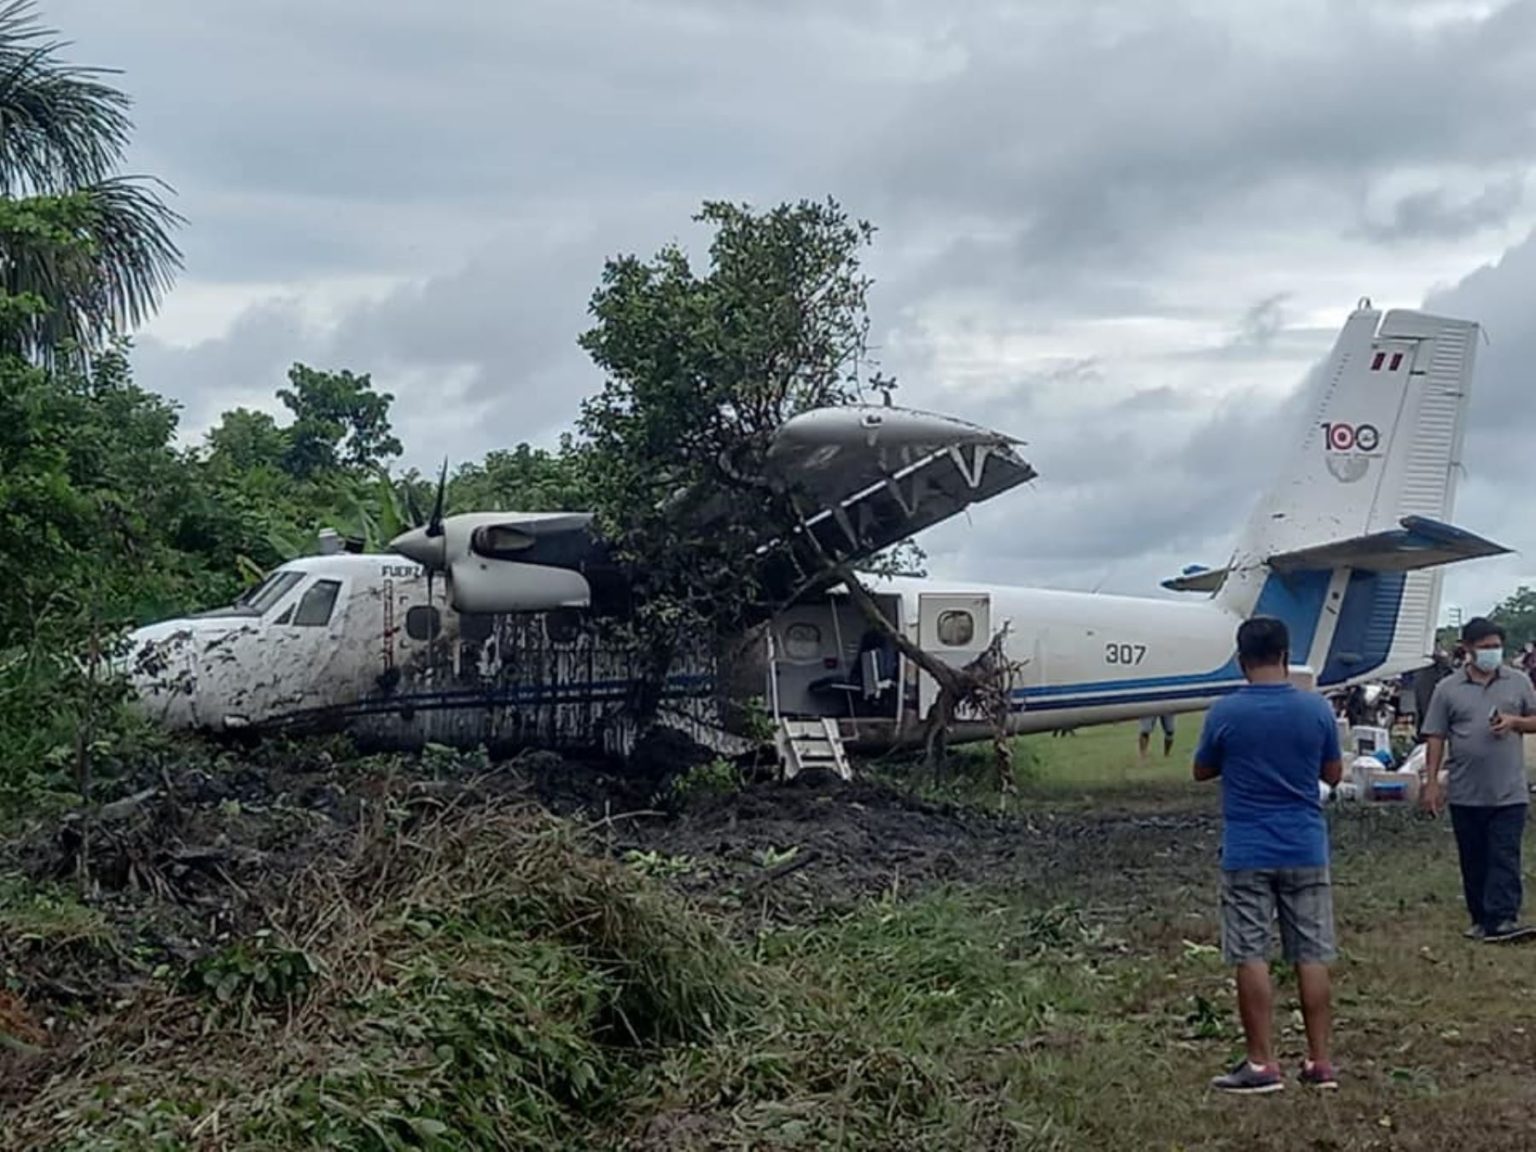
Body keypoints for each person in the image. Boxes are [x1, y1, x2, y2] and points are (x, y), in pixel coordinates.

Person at [1193, 616, 1342, 1094]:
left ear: (1241, 660)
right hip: (1305, 844)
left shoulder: (1225, 712)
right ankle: (1319, 1062)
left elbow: (1202, 769)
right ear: (1285, 654)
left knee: (1250, 951)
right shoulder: (1315, 710)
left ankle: (1261, 1064)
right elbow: (1335, 774)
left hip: (1248, 848)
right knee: (1312, 952)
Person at [1420, 617, 1536, 943]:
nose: (1492, 653)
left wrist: (1515, 722)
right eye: (1485, 647)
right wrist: (1431, 782)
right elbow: (1435, 736)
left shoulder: (1518, 682)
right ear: (1468, 649)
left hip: (1509, 790)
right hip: (1466, 790)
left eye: (1496, 647)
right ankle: (1480, 918)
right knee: (1474, 857)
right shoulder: (1448, 690)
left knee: (1504, 855)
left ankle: (1503, 918)